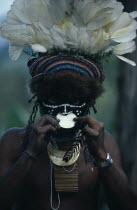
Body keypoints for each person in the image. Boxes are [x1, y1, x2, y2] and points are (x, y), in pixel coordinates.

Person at [1, 0, 137, 210]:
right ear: (40, 99)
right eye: (55, 100)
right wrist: (29, 154)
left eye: (75, 101)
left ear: (90, 102)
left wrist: (102, 157)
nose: (65, 112)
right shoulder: (15, 142)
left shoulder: (102, 144)